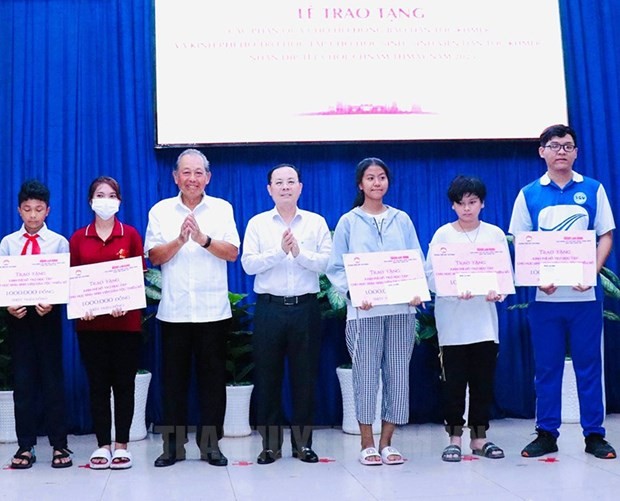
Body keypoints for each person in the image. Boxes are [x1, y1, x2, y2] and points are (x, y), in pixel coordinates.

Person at [509, 124, 616, 459]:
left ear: (576, 152)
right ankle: (546, 432)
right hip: (546, 298)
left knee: (589, 365)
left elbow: (607, 236)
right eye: (554, 146)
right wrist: (538, 277)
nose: (561, 152)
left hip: (585, 297)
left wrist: (591, 271)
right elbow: (521, 242)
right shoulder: (529, 194)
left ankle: (594, 434)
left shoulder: (593, 189)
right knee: (547, 367)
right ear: (542, 151)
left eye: (568, 146)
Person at [145, 148, 240, 468]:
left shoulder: (222, 209)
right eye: (186, 172)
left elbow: (231, 253)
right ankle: (173, 447)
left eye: (198, 172)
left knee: (213, 382)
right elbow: (154, 256)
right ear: (175, 177)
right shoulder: (160, 211)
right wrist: (180, 239)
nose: (192, 178)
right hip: (174, 312)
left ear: (208, 177)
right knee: (173, 382)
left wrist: (202, 238)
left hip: (213, 311)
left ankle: (210, 446)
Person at [326, 157, 423, 466]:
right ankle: (367, 443)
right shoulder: (348, 221)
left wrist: (416, 291)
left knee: (398, 375)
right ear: (361, 184)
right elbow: (335, 267)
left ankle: (388, 442)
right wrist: (354, 292)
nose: (377, 183)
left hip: (400, 312)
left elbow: (415, 259)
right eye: (370, 178)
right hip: (363, 313)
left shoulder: (402, 219)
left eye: (382, 177)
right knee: (366, 378)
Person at [241, 164, 332, 465]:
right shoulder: (257, 223)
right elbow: (248, 265)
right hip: (269, 308)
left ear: (300, 187)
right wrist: (279, 252)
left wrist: (298, 254)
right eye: (278, 182)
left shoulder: (316, 223)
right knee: (267, 378)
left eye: (290, 181)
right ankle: (270, 446)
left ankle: (303, 444)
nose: (285, 187)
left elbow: (326, 264)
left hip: (305, 309)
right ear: (269, 189)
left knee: (305, 378)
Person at [425, 175, 506, 462]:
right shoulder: (443, 235)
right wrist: (453, 289)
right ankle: (455, 438)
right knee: (454, 385)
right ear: (453, 206)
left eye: (472, 202)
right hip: (453, 324)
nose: (467, 208)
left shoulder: (494, 234)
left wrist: (498, 292)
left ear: (482, 203)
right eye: (461, 204)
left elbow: (503, 275)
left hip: (484, 324)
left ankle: (479, 438)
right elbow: (431, 277)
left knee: (483, 384)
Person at [69, 176, 146, 470]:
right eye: (100, 194)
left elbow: (138, 277)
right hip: (90, 327)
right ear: (91, 201)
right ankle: (102, 444)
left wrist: (124, 302)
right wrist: (82, 306)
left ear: (119, 201)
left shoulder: (131, 235)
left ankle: (122, 445)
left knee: (124, 385)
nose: (105, 199)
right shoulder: (78, 238)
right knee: (98, 386)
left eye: (111, 194)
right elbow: (74, 280)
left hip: (126, 326)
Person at [0, 180, 72, 469]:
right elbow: (4, 282)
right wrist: (7, 305)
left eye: (38, 209)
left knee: (53, 381)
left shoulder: (58, 242)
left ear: (48, 211)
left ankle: (60, 446)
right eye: (27, 209)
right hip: (18, 318)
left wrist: (53, 302)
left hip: (47, 317)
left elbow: (65, 281)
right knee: (24, 382)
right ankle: (25, 446)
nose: (32, 215)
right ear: (19, 210)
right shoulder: (8, 243)